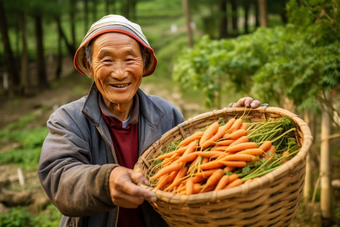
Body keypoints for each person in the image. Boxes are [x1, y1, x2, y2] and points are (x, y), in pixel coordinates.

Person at [38, 14, 262, 227]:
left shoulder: (167, 113)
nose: (119, 72)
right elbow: (59, 177)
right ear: (89, 66)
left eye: (129, 59)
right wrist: (106, 182)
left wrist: (236, 122)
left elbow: (200, 156)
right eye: (106, 60)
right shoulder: (68, 120)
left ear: (144, 64)